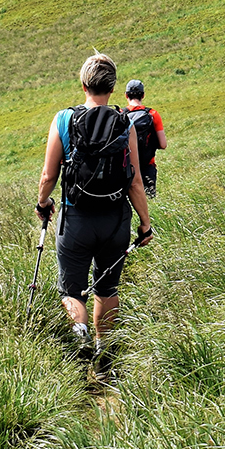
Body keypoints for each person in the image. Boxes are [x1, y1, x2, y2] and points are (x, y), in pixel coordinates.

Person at [36, 53, 152, 367]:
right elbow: (136, 181)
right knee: (107, 287)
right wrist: (145, 224)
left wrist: (43, 203)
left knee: (72, 289)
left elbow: (49, 175)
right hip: (115, 220)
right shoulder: (124, 122)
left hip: (75, 219)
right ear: (112, 88)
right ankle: (105, 355)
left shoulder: (63, 120)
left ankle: (80, 337)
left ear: (83, 84)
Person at [124, 79, 167, 198]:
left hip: (126, 169)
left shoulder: (120, 114)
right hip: (147, 166)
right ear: (143, 95)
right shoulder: (152, 114)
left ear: (126, 95)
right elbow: (163, 144)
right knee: (149, 206)